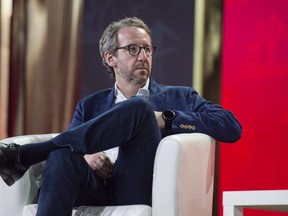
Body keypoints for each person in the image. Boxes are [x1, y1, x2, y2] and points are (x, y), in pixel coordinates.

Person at [0, 17, 242, 216]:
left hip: (137, 185)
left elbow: (231, 126)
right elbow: (72, 141)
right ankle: (36, 154)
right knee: (63, 155)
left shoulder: (181, 96)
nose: (143, 56)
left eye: (147, 49)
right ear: (110, 58)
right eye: (133, 49)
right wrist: (87, 156)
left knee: (141, 107)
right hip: (94, 184)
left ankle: (29, 155)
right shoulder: (90, 105)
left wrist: (167, 118)